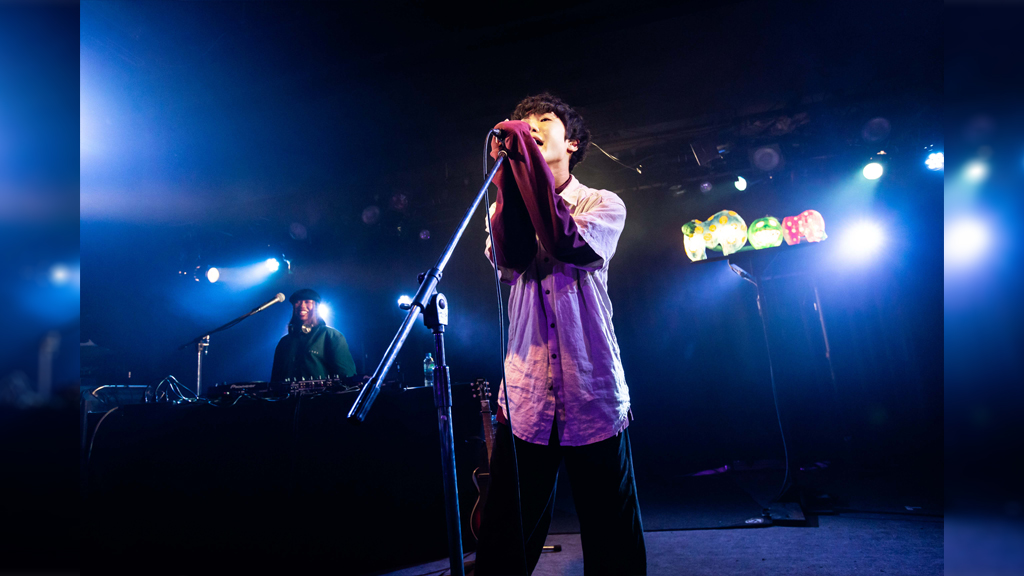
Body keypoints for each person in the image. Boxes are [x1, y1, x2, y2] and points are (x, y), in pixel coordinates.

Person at [476, 93, 646, 575]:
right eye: (523, 122)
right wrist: (510, 179)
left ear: (571, 142)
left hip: (592, 390)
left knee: (612, 534)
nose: (530, 126)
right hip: (527, 395)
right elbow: (512, 256)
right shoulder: (502, 212)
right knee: (505, 536)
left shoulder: (603, 204)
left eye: (543, 120)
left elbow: (564, 241)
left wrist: (523, 163)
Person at [270, 288, 356, 383]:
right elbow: (275, 380)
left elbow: (347, 376)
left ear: (316, 306)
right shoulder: (284, 342)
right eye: (298, 302)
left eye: (307, 302)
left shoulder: (331, 336)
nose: (302, 306)